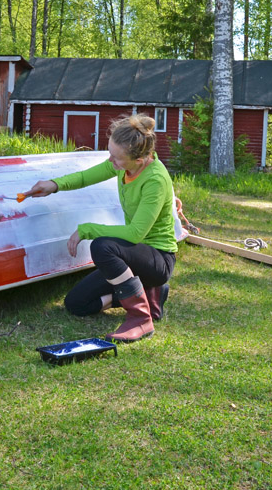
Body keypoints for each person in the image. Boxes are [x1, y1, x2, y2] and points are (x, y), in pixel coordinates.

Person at [25, 114, 177, 342]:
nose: (111, 162)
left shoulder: (154, 180)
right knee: (76, 304)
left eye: (117, 158)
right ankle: (147, 294)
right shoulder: (124, 165)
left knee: (102, 246)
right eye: (110, 154)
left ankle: (141, 318)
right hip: (133, 256)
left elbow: (136, 233)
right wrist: (54, 185)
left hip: (157, 258)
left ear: (139, 159)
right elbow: (86, 177)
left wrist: (88, 229)